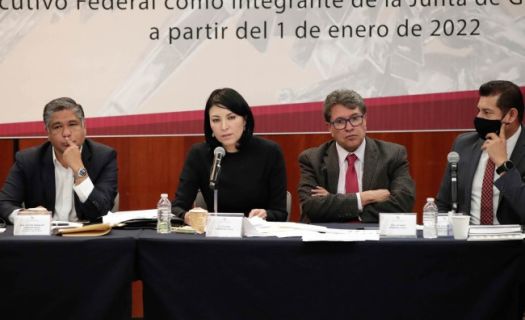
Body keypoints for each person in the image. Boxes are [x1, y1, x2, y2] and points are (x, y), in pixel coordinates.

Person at [298, 89, 415, 223]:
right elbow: (311, 207)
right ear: (329, 128)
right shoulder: (312, 159)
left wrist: (333, 202)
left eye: (355, 118)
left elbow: (403, 203)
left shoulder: (393, 155)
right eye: (340, 121)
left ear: (365, 120)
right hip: (328, 239)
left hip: (374, 238)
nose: (349, 127)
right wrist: (365, 197)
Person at [172, 88, 288, 222]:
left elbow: (280, 212)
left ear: (244, 120)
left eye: (231, 117)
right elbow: (177, 207)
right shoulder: (199, 154)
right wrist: (188, 216)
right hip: (215, 237)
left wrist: (265, 214)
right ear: (209, 125)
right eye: (216, 120)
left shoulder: (270, 152)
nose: (224, 127)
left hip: (256, 237)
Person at [0, 97, 118, 224]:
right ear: (48, 133)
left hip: (86, 237)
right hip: (44, 239)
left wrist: (79, 169)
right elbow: (4, 203)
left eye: (72, 124)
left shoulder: (104, 157)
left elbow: (101, 210)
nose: (66, 133)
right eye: (57, 127)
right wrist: (25, 215)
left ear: (84, 127)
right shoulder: (28, 160)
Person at [436, 80, 525, 224]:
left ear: (511, 115)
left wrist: (503, 164)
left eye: (487, 112)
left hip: (514, 244)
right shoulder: (463, 144)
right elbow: (443, 203)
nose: (479, 117)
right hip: (467, 242)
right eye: (479, 110)